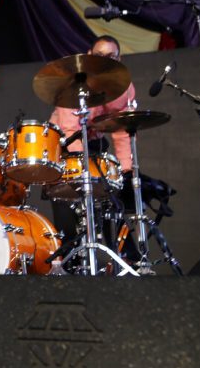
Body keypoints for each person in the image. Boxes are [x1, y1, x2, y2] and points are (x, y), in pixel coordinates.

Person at [47, 35, 136, 253]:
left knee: (111, 202)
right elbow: (71, 130)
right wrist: (86, 173)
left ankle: (128, 259)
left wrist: (125, 170)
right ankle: (71, 260)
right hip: (64, 146)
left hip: (95, 144)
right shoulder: (74, 84)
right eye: (99, 56)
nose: (105, 60)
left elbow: (123, 128)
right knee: (68, 209)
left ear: (119, 58)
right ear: (89, 56)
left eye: (111, 56)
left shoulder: (124, 86)